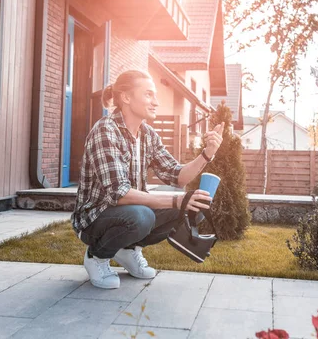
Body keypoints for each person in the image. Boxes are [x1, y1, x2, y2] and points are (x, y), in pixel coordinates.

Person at [71, 70, 225, 289]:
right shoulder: (105, 130)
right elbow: (119, 194)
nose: (156, 102)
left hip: (129, 212)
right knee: (142, 216)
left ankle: (127, 251)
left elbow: (177, 176)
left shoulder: (148, 135)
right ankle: (96, 257)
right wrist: (177, 201)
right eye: (149, 95)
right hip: (94, 218)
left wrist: (207, 153)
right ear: (126, 97)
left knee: (195, 206)